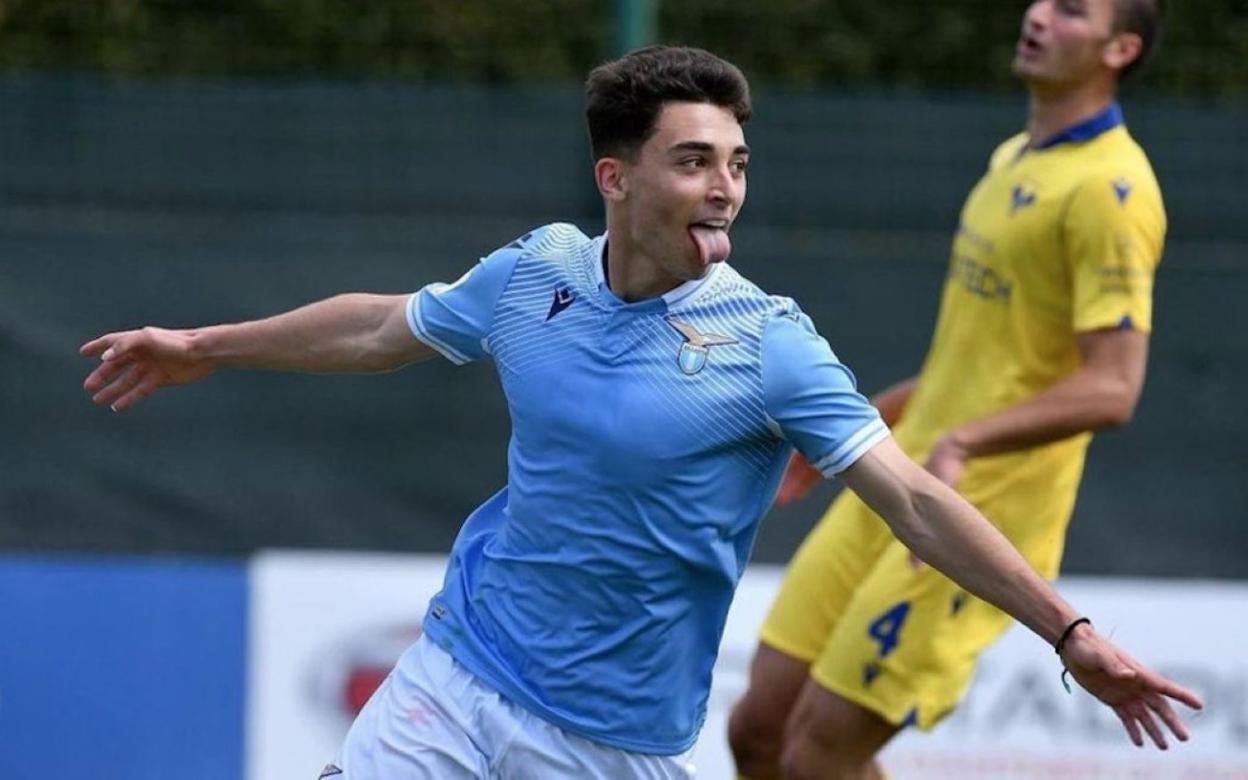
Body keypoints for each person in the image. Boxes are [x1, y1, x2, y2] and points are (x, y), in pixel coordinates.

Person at [81, 46, 1197, 780]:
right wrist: (201, 347)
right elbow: (382, 329)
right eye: (694, 161)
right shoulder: (536, 274)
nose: (725, 187)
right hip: (458, 683)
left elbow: (911, 500)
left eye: (738, 163)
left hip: (615, 747)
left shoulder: (770, 341)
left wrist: (1072, 634)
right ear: (616, 179)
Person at [728, 1, 1178, 778]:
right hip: (900, 476)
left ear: (1121, 47)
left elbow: (1114, 387)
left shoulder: (1113, 191)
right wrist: (866, 421)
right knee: (757, 731)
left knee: (817, 758)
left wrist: (964, 440)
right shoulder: (1016, 156)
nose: (1038, 14)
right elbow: (977, 359)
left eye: (1072, 10)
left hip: (980, 515)